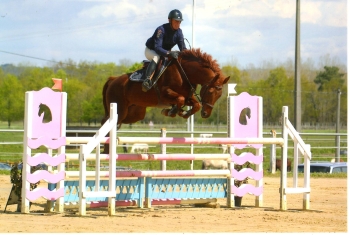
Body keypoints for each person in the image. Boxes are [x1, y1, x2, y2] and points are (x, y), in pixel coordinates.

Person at [142, 9, 187, 92]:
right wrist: (169, 53)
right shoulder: (161, 30)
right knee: (157, 57)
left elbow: (183, 49)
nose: (178, 24)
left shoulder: (179, 33)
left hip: (164, 53)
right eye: (176, 21)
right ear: (169, 20)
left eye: (179, 22)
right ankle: (147, 80)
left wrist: (188, 56)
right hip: (151, 50)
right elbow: (157, 48)